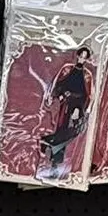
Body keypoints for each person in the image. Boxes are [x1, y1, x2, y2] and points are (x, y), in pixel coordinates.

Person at [39, 48, 93, 179]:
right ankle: (54, 165)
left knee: (73, 130)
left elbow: (87, 95)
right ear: (77, 56)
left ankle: (47, 141)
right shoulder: (67, 69)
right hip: (64, 105)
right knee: (62, 129)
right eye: (81, 56)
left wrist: (80, 109)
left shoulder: (87, 75)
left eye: (85, 57)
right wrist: (60, 95)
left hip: (77, 106)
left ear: (87, 59)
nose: (82, 59)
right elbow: (58, 84)